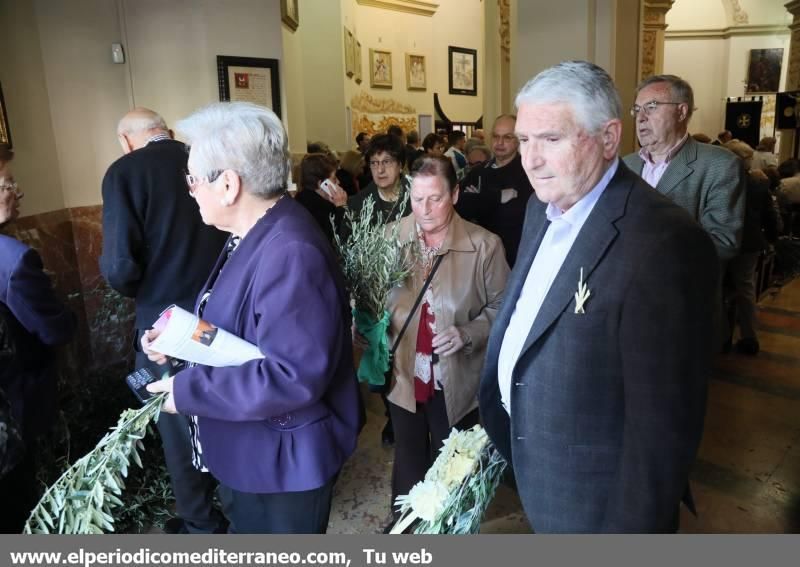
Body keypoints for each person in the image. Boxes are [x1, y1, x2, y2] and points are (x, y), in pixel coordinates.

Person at [479, 61, 718, 533]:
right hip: (537, 475)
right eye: (525, 140)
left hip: (597, 505)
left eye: (551, 139)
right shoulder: (539, 207)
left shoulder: (664, 242)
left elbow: (660, 436)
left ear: (609, 138)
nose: (531, 159)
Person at [143, 101, 362, 534]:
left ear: (228, 184)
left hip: (282, 463)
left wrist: (189, 391)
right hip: (256, 451)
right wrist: (179, 339)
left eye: (192, 180)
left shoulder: (289, 250)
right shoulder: (256, 231)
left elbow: (292, 375)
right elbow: (244, 328)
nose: (190, 190)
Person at [99, 107, 228, 534]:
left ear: (125, 140)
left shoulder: (124, 172)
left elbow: (119, 267)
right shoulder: (208, 159)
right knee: (227, 409)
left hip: (166, 325)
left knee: (176, 422)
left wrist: (143, 288)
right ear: (167, 132)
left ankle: (200, 523)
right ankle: (237, 506)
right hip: (226, 310)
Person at [385, 156, 508, 528]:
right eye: (417, 198)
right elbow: (372, 295)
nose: (424, 209)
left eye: (435, 198)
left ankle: (447, 530)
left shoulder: (484, 245)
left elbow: (504, 307)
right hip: (404, 370)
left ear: (454, 193)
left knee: (452, 460)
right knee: (407, 454)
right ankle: (404, 528)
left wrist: (467, 333)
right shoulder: (390, 237)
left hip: (456, 376)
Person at [0, 145, 76, 532]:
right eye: (8, 183)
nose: (17, 191)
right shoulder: (13, 261)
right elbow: (52, 328)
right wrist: (67, 317)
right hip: (14, 407)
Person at [723, 140, 780, 355]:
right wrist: (772, 239)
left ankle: (720, 336)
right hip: (750, 243)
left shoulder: (722, 182)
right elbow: (769, 215)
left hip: (723, 240)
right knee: (746, 289)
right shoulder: (758, 183)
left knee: (717, 288)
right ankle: (749, 337)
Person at [456, 115, 534, 266]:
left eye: (507, 137)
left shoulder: (528, 173)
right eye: (496, 136)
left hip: (513, 256)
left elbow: (514, 214)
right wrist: (496, 197)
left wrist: (477, 199)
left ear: (518, 139)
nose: (499, 142)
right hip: (477, 255)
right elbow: (459, 206)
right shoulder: (478, 171)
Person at [347, 133, 411, 225]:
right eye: (374, 163)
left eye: (386, 161)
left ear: (400, 165)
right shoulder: (357, 205)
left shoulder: (419, 199)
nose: (380, 170)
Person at [296, 152, 348, 243]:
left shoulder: (300, 199)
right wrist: (341, 207)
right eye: (334, 178)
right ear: (322, 184)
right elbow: (339, 239)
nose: (338, 182)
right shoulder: (320, 209)